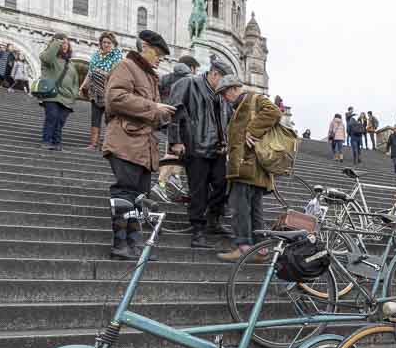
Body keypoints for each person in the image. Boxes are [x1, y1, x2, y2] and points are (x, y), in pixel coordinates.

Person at [103, 29, 175, 260]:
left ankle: (134, 243)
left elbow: (147, 109)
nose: (160, 59)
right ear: (145, 47)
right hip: (126, 140)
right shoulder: (125, 67)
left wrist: (164, 114)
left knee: (138, 196)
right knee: (125, 191)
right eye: (158, 54)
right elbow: (115, 98)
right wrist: (154, 107)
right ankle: (120, 244)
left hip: (143, 145)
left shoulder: (149, 76)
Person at [167, 59, 235, 248]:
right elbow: (174, 111)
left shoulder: (221, 95)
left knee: (223, 184)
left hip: (219, 148)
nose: (225, 86)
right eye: (223, 80)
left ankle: (214, 219)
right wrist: (175, 140)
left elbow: (229, 118)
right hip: (196, 145)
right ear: (214, 74)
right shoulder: (189, 83)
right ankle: (198, 229)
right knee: (199, 190)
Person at [215, 75, 282, 263]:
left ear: (233, 89)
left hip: (248, 167)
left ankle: (243, 247)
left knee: (240, 209)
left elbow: (274, 112)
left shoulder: (254, 98)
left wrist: (252, 130)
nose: (224, 98)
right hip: (248, 168)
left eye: (224, 93)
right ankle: (260, 251)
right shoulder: (239, 107)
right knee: (254, 210)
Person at [80, 32, 123, 150]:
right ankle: (93, 143)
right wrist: (83, 86)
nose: (106, 44)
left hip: (110, 92)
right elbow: (90, 72)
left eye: (109, 42)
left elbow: (117, 75)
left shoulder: (118, 57)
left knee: (110, 119)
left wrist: (102, 73)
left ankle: (109, 144)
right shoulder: (95, 55)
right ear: (100, 43)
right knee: (95, 117)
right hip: (95, 91)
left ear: (114, 44)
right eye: (104, 42)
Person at [38, 34, 79, 151]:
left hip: (67, 97)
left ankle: (57, 143)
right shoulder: (49, 58)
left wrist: (74, 94)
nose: (64, 45)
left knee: (60, 121)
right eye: (62, 43)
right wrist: (56, 42)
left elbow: (75, 81)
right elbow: (47, 57)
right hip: (52, 94)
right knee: (52, 117)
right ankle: (46, 141)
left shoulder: (70, 64)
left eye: (66, 43)